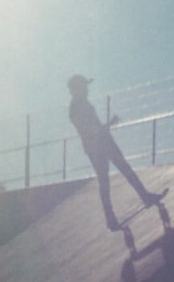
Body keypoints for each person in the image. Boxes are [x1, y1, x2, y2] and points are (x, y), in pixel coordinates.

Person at [68, 74, 164, 230]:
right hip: (98, 146)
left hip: (101, 143)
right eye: (84, 86)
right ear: (77, 89)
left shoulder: (80, 105)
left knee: (117, 173)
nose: (87, 89)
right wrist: (109, 124)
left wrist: (105, 129)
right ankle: (113, 217)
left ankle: (138, 200)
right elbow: (90, 131)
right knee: (107, 179)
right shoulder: (77, 108)